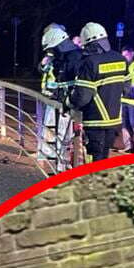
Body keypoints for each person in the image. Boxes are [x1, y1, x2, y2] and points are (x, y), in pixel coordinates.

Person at [70, 22, 126, 163]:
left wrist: (68, 101)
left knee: (93, 158)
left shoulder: (90, 62)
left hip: (95, 120)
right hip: (114, 120)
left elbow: (82, 97)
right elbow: (127, 88)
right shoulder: (121, 59)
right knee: (104, 157)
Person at [37, 23, 80, 168]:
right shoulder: (60, 57)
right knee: (56, 132)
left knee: (66, 136)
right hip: (58, 99)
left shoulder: (74, 57)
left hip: (70, 103)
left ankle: (64, 166)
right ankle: (59, 163)